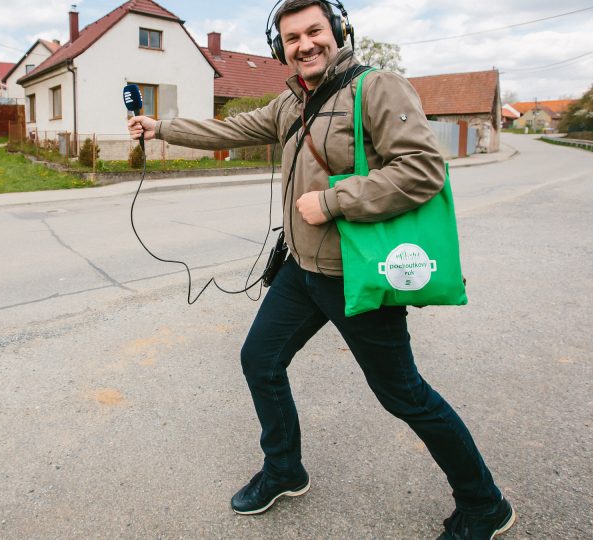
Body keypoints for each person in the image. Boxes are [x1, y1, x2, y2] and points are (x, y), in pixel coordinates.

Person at [127, 1, 514, 538]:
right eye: (292, 38)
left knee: (404, 395)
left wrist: (332, 201)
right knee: (259, 359)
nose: (305, 44)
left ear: (338, 32)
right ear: (279, 48)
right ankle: (284, 468)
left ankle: (484, 503)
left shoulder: (378, 88)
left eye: (314, 31)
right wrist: (160, 126)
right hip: (302, 269)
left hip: (353, 273)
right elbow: (232, 128)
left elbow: (423, 170)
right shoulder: (292, 102)